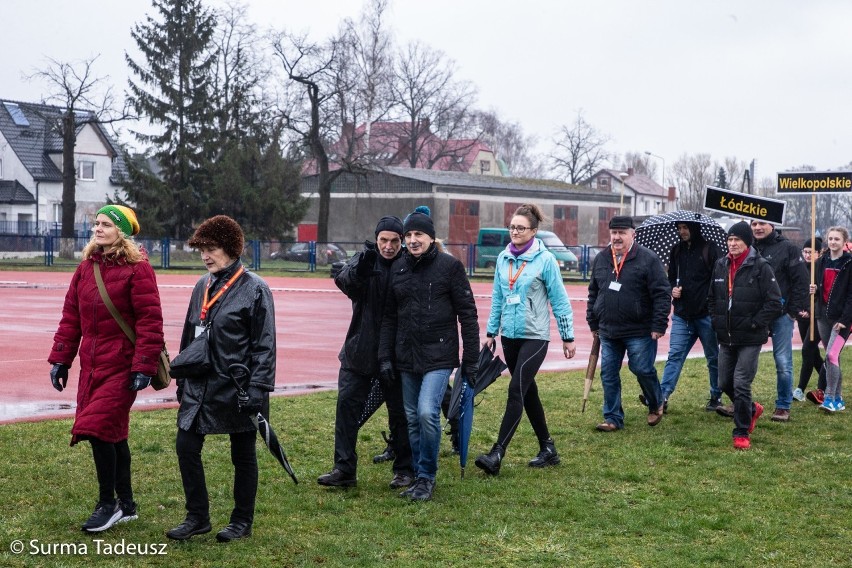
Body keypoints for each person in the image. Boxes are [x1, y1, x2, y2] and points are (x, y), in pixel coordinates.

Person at [49, 204, 164, 533]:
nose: (97, 229)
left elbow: (149, 321)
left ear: (122, 232)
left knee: (97, 427)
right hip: (92, 366)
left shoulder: (137, 268)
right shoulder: (87, 267)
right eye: (96, 224)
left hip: (124, 367)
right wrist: (61, 358)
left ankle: (107, 503)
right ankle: (127, 505)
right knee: (114, 435)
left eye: (106, 225)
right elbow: (72, 317)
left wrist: (143, 365)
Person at [166, 215, 276, 543]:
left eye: (211, 249)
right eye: (201, 249)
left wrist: (258, 387)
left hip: (239, 387)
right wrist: (182, 379)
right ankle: (197, 516)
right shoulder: (202, 285)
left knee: (242, 454)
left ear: (230, 249)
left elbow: (265, 343)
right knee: (186, 446)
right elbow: (190, 335)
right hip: (200, 384)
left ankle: (242, 520)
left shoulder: (256, 288)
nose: (205, 256)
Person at [378, 209, 479, 501]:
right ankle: (420, 473)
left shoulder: (450, 267)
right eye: (408, 235)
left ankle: (426, 476)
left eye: (418, 234)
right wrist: (385, 356)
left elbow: (468, 315)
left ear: (431, 237)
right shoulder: (398, 269)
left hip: (439, 355)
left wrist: (471, 360)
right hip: (406, 356)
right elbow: (389, 317)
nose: (412, 240)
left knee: (426, 412)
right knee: (411, 417)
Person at [474, 204, 576, 476]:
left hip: (535, 336)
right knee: (528, 390)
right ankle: (548, 448)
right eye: (512, 227)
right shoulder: (503, 258)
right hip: (509, 335)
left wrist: (568, 336)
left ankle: (497, 453)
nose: (515, 231)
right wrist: (491, 332)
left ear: (533, 231)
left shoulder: (545, 260)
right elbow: (498, 297)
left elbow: (560, 299)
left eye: (520, 227)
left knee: (516, 390)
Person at [317, 216, 414, 489]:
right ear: (376, 238)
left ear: (402, 240)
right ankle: (344, 468)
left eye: (395, 240)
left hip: (395, 354)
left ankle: (405, 469)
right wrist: (362, 265)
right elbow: (345, 283)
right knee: (346, 408)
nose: (389, 246)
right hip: (359, 349)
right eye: (384, 240)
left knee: (400, 414)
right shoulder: (364, 260)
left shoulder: (408, 266)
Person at [586, 215, 671, 432]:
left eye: (622, 233)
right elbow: (594, 292)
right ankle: (613, 417)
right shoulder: (602, 258)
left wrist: (658, 325)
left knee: (641, 368)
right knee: (609, 373)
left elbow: (662, 294)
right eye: (614, 233)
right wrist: (592, 319)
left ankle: (655, 402)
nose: (617, 237)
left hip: (639, 330)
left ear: (633, 234)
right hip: (608, 329)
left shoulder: (648, 259)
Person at [709, 222, 782, 449]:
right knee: (723, 382)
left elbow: (774, 302)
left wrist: (755, 323)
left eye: (737, 240)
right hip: (726, 336)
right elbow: (712, 297)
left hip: (750, 337)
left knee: (741, 383)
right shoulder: (720, 265)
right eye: (729, 240)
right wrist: (716, 319)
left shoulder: (761, 266)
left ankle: (741, 431)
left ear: (747, 242)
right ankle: (751, 409)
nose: (732, 244)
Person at [659, 220, 724, 410]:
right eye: (679, 228)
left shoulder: (709, 249)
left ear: (694, 228)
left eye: (685, 228)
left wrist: (710, 303)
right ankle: (662, 397)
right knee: (675, 356)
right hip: (682, 315)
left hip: (706, 315)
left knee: (713, 358)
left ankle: (716, 396)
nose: (682, 231)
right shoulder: (676, 250)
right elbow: (671, 276)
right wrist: (673, 289)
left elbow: (719, 278)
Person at [749, 220, 809, 422]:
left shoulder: (789, 248)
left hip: (781, 315)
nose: (758, 227)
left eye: (762, 223)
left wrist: (792, 312)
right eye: (754, 223)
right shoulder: (747, 247)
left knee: (783, 362)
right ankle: (741, 401)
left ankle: (783, 405)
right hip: (753, 314)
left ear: (773, 225)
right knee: (745, 361)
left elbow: (801, 281)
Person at [811, 226, 852, 413]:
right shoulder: (820, 261)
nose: (833, 242)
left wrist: (845, 318)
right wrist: (814, 291)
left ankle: (829, 398)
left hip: (841, 319)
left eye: (837, 239)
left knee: (831, 355)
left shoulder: (849, 263)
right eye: (830, 238)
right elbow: (822, 288)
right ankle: (838, 398)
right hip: (823, 316)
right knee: (832, 359)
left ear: (845, 242)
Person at [794, 237, 826, 403]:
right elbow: (798, 291)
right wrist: (799, 309)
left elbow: (823, 294)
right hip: (802, 317)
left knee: (807, 350)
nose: (807, 255)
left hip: (818, 317)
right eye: (805, 252)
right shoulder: (800, 268)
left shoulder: (821, 268)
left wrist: (810, 310)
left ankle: (800, 389)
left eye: (811, 252)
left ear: (819, 253)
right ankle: (828, 384)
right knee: (813, 354)